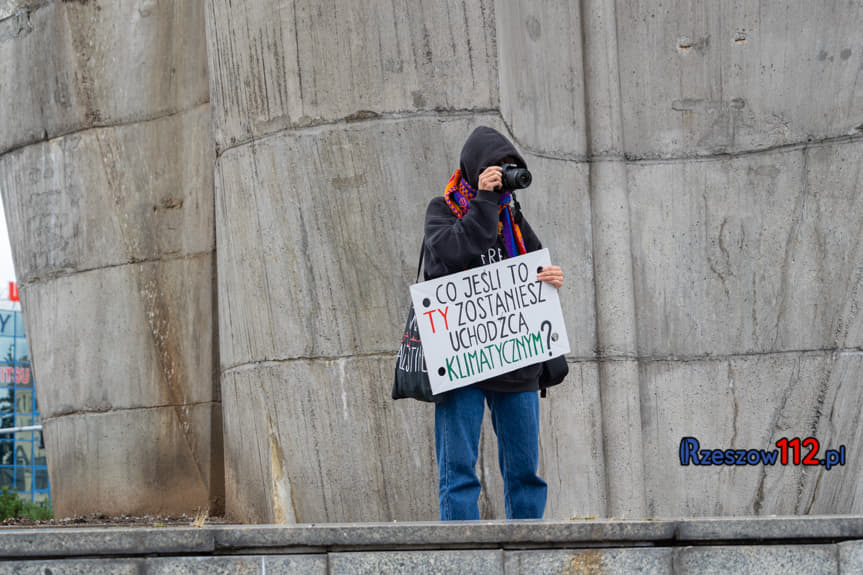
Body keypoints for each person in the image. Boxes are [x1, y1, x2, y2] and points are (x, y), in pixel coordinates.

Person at [423, 126, 564, 520]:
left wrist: (551, 277)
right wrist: (483, 201)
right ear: (474, 169)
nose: (503, 178)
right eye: (495, 170)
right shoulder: (443, 210)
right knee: (459, 473)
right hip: (461, 361)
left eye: (508, 171)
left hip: (515, 360)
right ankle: (463, 558)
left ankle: (527, 554)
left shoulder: (512, 215)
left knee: (525, 474)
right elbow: (453, 253)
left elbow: (534, 269)